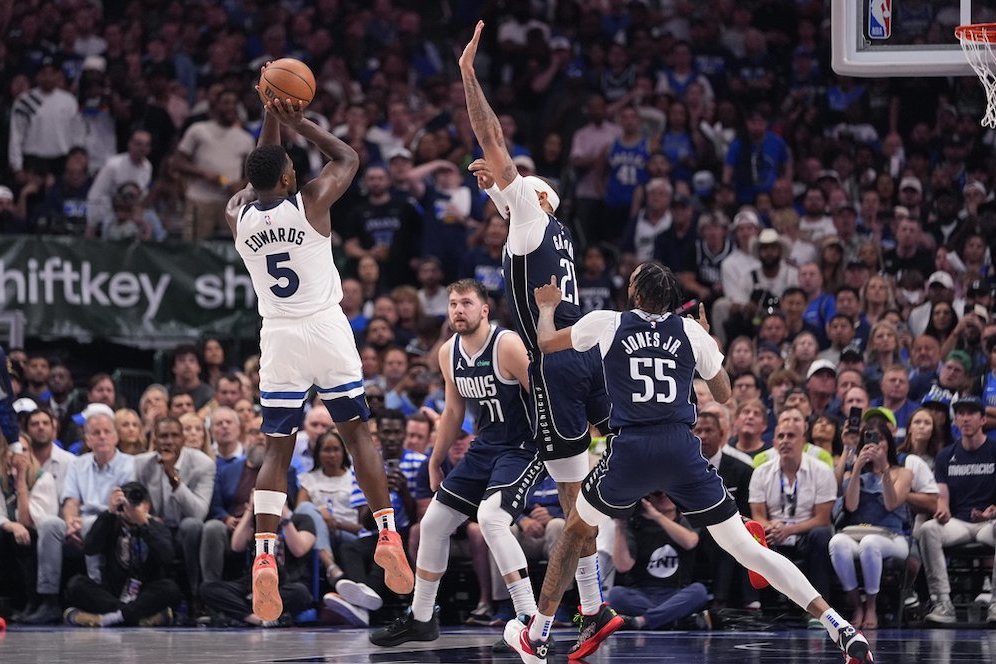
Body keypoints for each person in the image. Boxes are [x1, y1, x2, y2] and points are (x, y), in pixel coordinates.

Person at [523, 260, 872, 664]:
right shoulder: (689, 331)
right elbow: (723, 394)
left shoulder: (607, 321)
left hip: (632, 448)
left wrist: (548, 308)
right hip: (680, 448)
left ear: (635, 293)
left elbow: (547, 343)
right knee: (747, 549)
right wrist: (708, 344)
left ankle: (539, 635)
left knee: (575, 531)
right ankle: (839, 626)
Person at [223, 82, 414, 621]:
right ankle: (387, 534)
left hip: (278, 337)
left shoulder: (237, 215)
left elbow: (258, 175)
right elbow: (347, 156)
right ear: (289, 177)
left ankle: (263, 555)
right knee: (357, 435)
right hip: (327, 329)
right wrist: (297, 119)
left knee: (277, 449)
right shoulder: (310, 203)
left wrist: (268, 114)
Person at [459, 22, 613, 656]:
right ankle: (595, 605)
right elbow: (503, 187)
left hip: (554, 364)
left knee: (572, 499)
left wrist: (470, 74)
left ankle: (546, 622)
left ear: (531, 198)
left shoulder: (528, 218)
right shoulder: (558, 233)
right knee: (578, 495)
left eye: (511, 189)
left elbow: (492, 138)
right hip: (583, 359)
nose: (502, 191)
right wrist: (495, 186)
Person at [369, 279, 545, 646]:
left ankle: (530, 621)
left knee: (491, 519)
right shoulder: (448, 352)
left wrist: (561, 447)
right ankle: (421, 617)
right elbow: (452, 410)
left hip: (523, 446)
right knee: (432, 524)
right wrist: (436, 459)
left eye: (466, 303)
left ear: (484, 310)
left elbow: (546, 396)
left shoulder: (507, 345)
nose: (457, 311)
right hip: (485, 446)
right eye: (452, 304)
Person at [917, 396, 996, 625]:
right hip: (959, 523)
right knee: (928, 529)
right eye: (960, 413)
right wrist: (941, 509)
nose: (965, 418)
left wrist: (992, 511)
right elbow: (942, 495)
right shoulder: (945, 456)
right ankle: (943, 603)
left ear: (983, 419)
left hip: (988, 524)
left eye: (971, 413)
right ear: (956, 421)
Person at [828, 425, 912, 630]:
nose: (875, 444)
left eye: (881, 439)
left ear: (889, 444)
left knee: (870, 543)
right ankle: (857, 604)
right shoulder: (853, 474)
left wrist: (884, 469)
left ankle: (872, 605)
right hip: (858, 532)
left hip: (893, 536)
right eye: (870, 440)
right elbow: (851, 506)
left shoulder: (903, 472)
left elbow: (892, 503)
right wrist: (857, 468)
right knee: (837, 542)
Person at [62, 482, 181, 627]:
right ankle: (137, 618)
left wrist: (143, 524)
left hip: (145, 593)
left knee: (170, 588)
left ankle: (108, 619)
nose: (131, 507)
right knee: (76, 584)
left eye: (137, 503)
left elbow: (168, 557)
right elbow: (90, 549)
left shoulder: (156, 527)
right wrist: (109, 513)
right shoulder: (109, 522)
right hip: (112, 593)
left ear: (147, 506)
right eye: (127, 502)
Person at [609, 492, 710, 631]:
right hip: (641, 594)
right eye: (659, 494)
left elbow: (690, 542)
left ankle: (644, 620)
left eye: (669, 493)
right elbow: (622, 566)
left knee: (699, 591)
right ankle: (672, 620)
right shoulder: (636, 525)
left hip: (675, 593)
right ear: (649, 499)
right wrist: (620, 526)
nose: (665, 497)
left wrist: (656, 516)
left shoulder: (686, 520)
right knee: (615, 594)